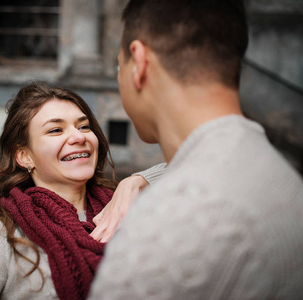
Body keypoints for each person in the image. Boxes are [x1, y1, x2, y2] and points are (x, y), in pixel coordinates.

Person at [89, 0, 303, 299]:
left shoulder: (163, 225)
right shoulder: (283, 176)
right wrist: (142, 178)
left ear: (138, 63)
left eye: (118, 65)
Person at [0, 82, 166, 299]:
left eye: (84, 126)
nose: (79, 137)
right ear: (24, 156)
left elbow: (197, 162)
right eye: (56, 130)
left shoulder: (123, 205)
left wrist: (138, 181)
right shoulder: (2, 235)